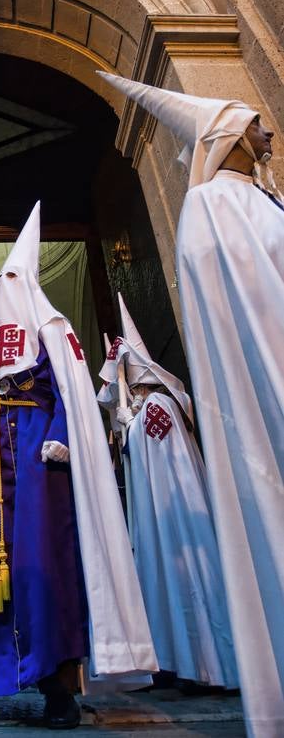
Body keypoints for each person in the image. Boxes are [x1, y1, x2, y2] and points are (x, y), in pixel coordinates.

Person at [0, 202, 157, 730]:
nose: (7, 286)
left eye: (17, 276)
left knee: (43, 572)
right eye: (4, 279)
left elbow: (72, 393)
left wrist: (62, 436)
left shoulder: (53, 328)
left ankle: (58, 688)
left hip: (40, 465)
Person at [97, 70, 284, 738]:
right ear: (229, 133)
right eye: (256, 119)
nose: (267, 129)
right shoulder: (212, 205)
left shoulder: (261, 199)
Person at [98, 293, 237, 690]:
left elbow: (162, 453)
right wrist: (124, 424)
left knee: (192, 585)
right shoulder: (145, 408)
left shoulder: (158, 404)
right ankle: (178, 664)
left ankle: (209, 668)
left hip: (179, 518)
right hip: (157, 518)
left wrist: (133, 425)